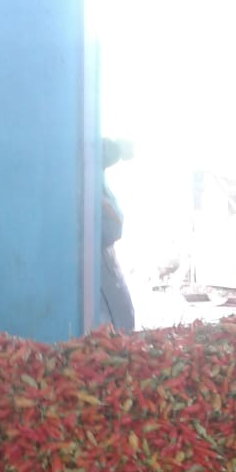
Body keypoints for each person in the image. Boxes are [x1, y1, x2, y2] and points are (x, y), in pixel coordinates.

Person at [100, 137, 136, 331]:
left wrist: (119, 149)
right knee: (108, 331)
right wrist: (119, 149)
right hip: (96, 257)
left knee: (121, 325)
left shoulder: (95, 178)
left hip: (105, 256)